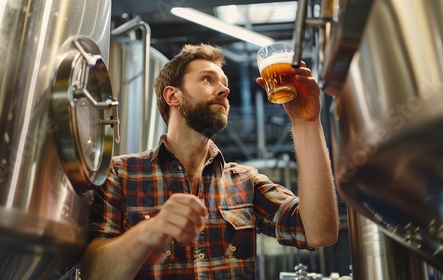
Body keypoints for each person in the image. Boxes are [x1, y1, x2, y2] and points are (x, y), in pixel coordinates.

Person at [81, 43, 339, 279]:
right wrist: (151, 229)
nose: (225, 89)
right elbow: (94, 274)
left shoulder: (245, 182)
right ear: (173, 96)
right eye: (208, 79)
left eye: (225, 83)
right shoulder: (122, 173)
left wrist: (306, 121)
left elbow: (319, 232)